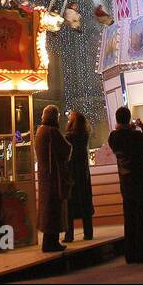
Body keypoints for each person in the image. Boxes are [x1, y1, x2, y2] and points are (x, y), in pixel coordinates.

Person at [108, 106, 143, 263]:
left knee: (129, 219)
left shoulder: (113, 137)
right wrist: (141, 127)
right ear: (128, 119)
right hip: (140, 182)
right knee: (141, 218)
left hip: (125, 183)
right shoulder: (135, 136)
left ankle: (130, 253)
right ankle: (142, 252)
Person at [34, 104, 72, 253]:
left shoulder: (40, 131)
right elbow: (66, 149)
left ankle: (48, 241)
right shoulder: (52, 131)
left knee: (47, 209)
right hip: (54, 177)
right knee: (54, 209)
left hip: (45, 176)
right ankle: (52, 242)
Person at [63, 110, 94, 243]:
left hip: (71, 174)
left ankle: (69, 235)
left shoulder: (69, 137)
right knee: (86, 203)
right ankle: (88, 232)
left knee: (70, 205)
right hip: (83, 173)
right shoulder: (85, 135)